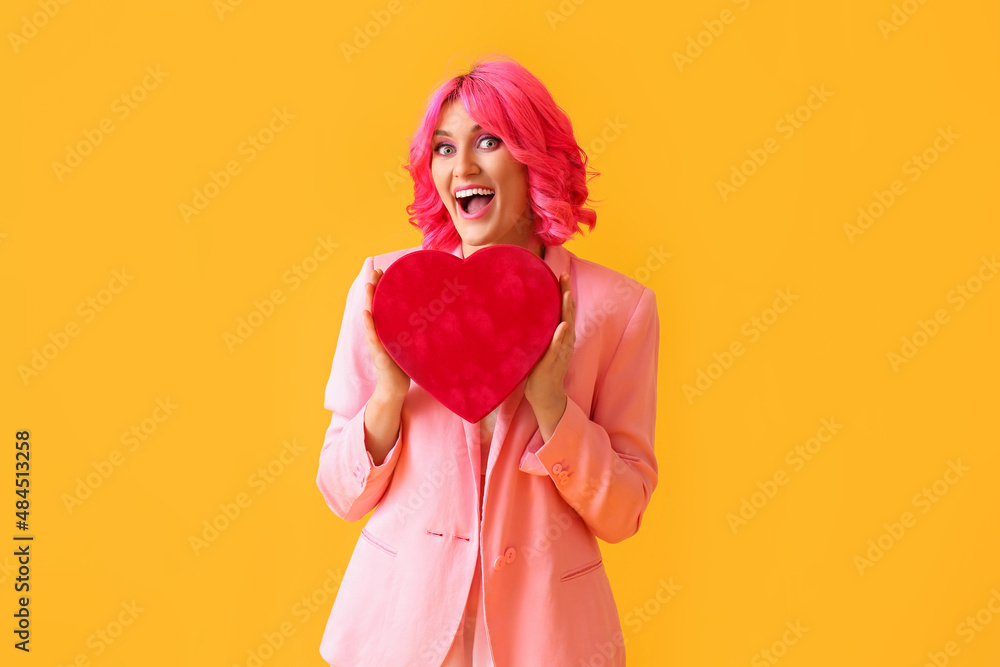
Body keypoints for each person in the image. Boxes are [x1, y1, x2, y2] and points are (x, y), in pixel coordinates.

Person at [315, 55, 660, 667]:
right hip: (398, 633)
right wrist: (389, 397)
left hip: (547, 641)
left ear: (535, 159)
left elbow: (624, 508)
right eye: (444, 149)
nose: (463, 167)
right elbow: (340, 492)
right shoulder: (384, 288)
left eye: (489, 142)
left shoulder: (617, 309)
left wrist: (555, 410)